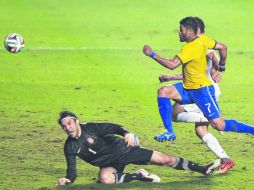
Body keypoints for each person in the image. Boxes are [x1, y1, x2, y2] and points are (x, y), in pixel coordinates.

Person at [143, 17, 254, 147]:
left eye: (181, 30)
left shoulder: (190, 48)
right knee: (163, 92)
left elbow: (172, 64)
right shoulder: (203, 40)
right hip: (188, 88)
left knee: (219, 125)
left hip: (202, 91)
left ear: (190, 32)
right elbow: (223, 47)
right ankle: (169, 132)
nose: (179, 32)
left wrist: (152, 54)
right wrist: (222, 65)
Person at [56, 111, 221, 186]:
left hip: (124, 150)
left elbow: (113, 127)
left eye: (70, 123)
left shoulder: (91, 128)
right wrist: (67, 180)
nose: (68, 128)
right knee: (105, 178)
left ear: (77, 121)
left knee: (165, 160)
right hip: (109, 164)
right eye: (64, 126)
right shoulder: (70, 147)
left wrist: (127, 133)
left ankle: (203, 169)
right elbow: (72, 172)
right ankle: (139, 175)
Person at [157, 17, 234, 173]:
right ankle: (226, 159)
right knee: (201, 131)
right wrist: (171, 77)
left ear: (197, 31)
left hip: (202, 91)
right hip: (200, 89)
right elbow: (192, 72)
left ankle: (212, 119)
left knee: (174, 113)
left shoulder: (204, 46)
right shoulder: (202, 45)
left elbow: (213, 58)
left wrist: (217, 67)